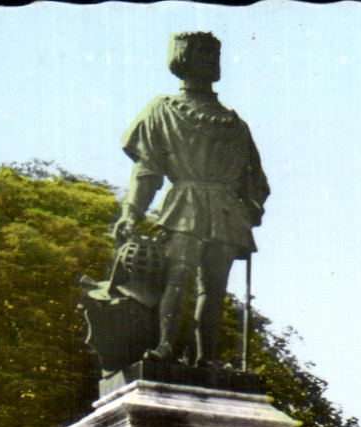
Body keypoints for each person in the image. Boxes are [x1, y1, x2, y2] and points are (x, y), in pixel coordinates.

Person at [115, 31, 268, 366]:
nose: (210, 60)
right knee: (177, 276)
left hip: (226, 211)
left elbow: (253, 177)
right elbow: (147, 170)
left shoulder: (235, 124)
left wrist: (253, 205)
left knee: (213, 289)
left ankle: (205, 358)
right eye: (201, 54)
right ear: (181, 58)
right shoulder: (161, 110)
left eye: (214, 54)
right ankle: (166, 347)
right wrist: (131, 211)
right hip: (184, 202)